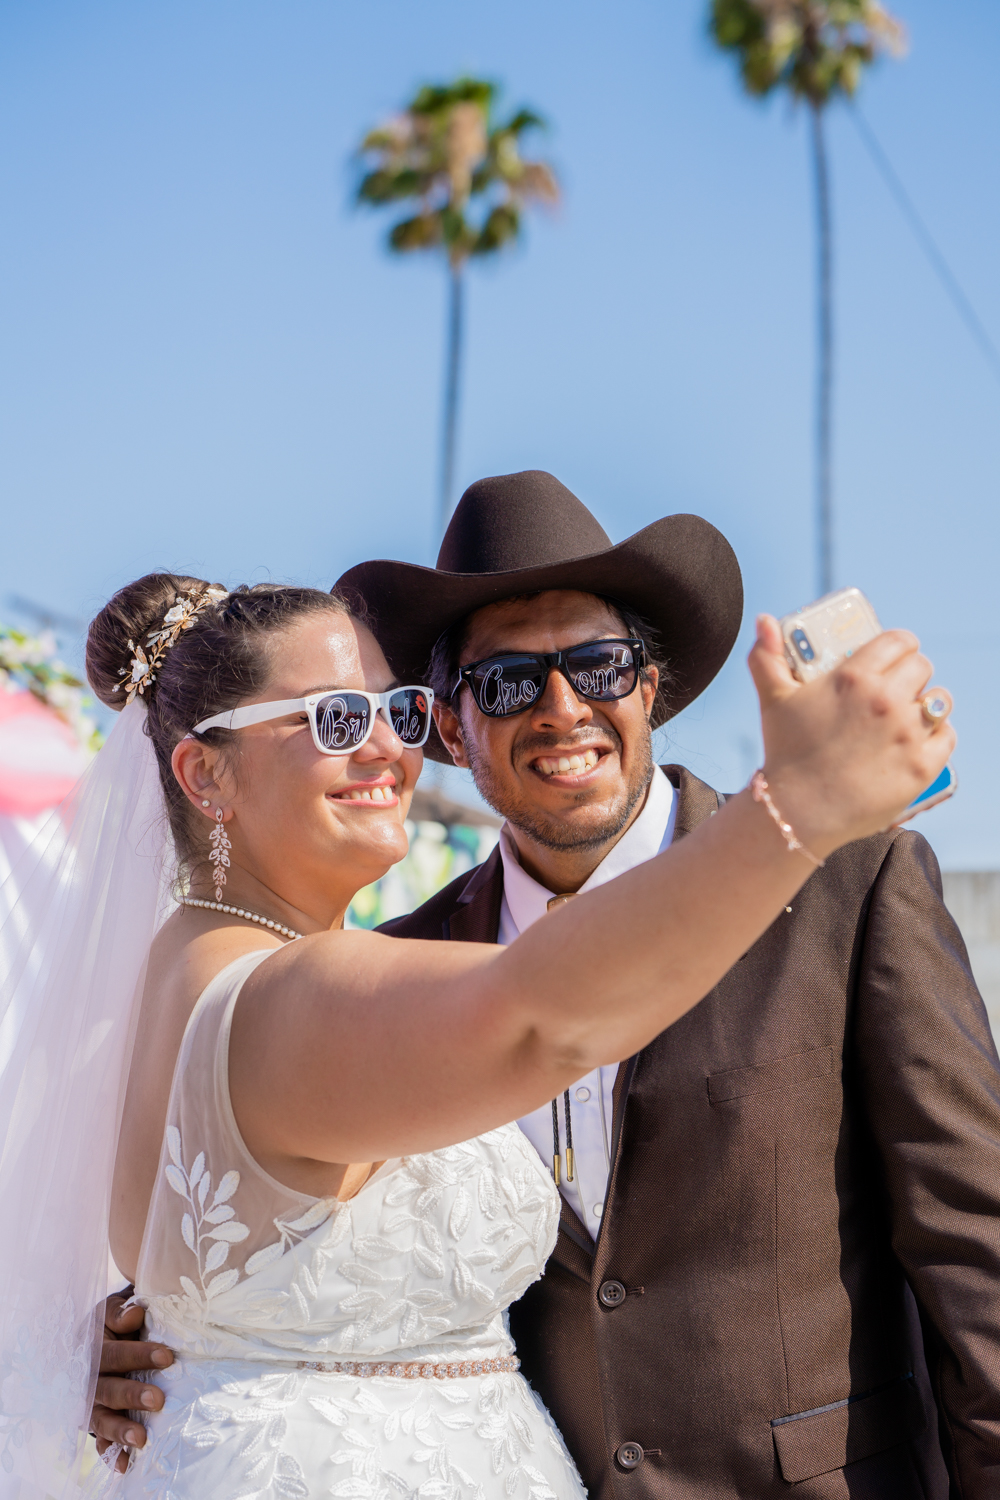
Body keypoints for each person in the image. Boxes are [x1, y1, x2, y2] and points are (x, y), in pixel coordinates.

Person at [11, 536, 947, 1500]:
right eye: (334, 719)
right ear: (204, 776)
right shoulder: (277, 992)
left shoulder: (201, 975)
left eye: (394, 709)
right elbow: (543, 1020)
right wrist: (798, 807)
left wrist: (154, 1339)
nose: (385, 746)